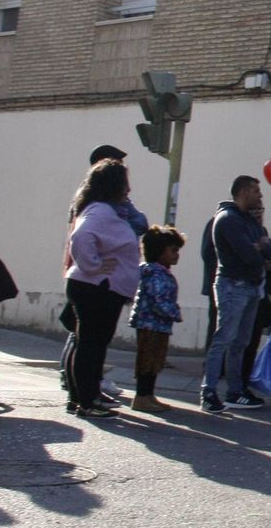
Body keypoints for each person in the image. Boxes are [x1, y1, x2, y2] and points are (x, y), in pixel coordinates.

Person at [63, 160, 139, 419]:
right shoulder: (101, 211)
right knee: (91, 346)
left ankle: (85, 397)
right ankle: (86, 401)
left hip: (99, 287)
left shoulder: (103, 210)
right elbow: (80, 238)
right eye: (124, 183)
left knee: (93, 345)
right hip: (96, 287)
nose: (128, 189)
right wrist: (93, 265)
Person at [201, 176, 271, 413]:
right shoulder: (227, 219)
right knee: (224, 338)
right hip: (233, 285)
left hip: (252, 286)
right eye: (256, 191)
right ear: (243, 192)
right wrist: (259, 248)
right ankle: (209, 391)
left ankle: (235, 391)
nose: (260, 195)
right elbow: (248, 254)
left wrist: (262, 247)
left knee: (241, 342)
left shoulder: (250, 221)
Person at [128, 225, 185, 413]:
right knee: (147, 361)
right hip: (150, 324)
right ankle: (141, 396)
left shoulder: (161, 272)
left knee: (154, 362)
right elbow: (158, 300)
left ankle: (148, 395)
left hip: (158, 325)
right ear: (160, 252)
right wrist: (174, 313)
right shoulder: (155, 274)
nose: (177, 254)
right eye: (173, 250)